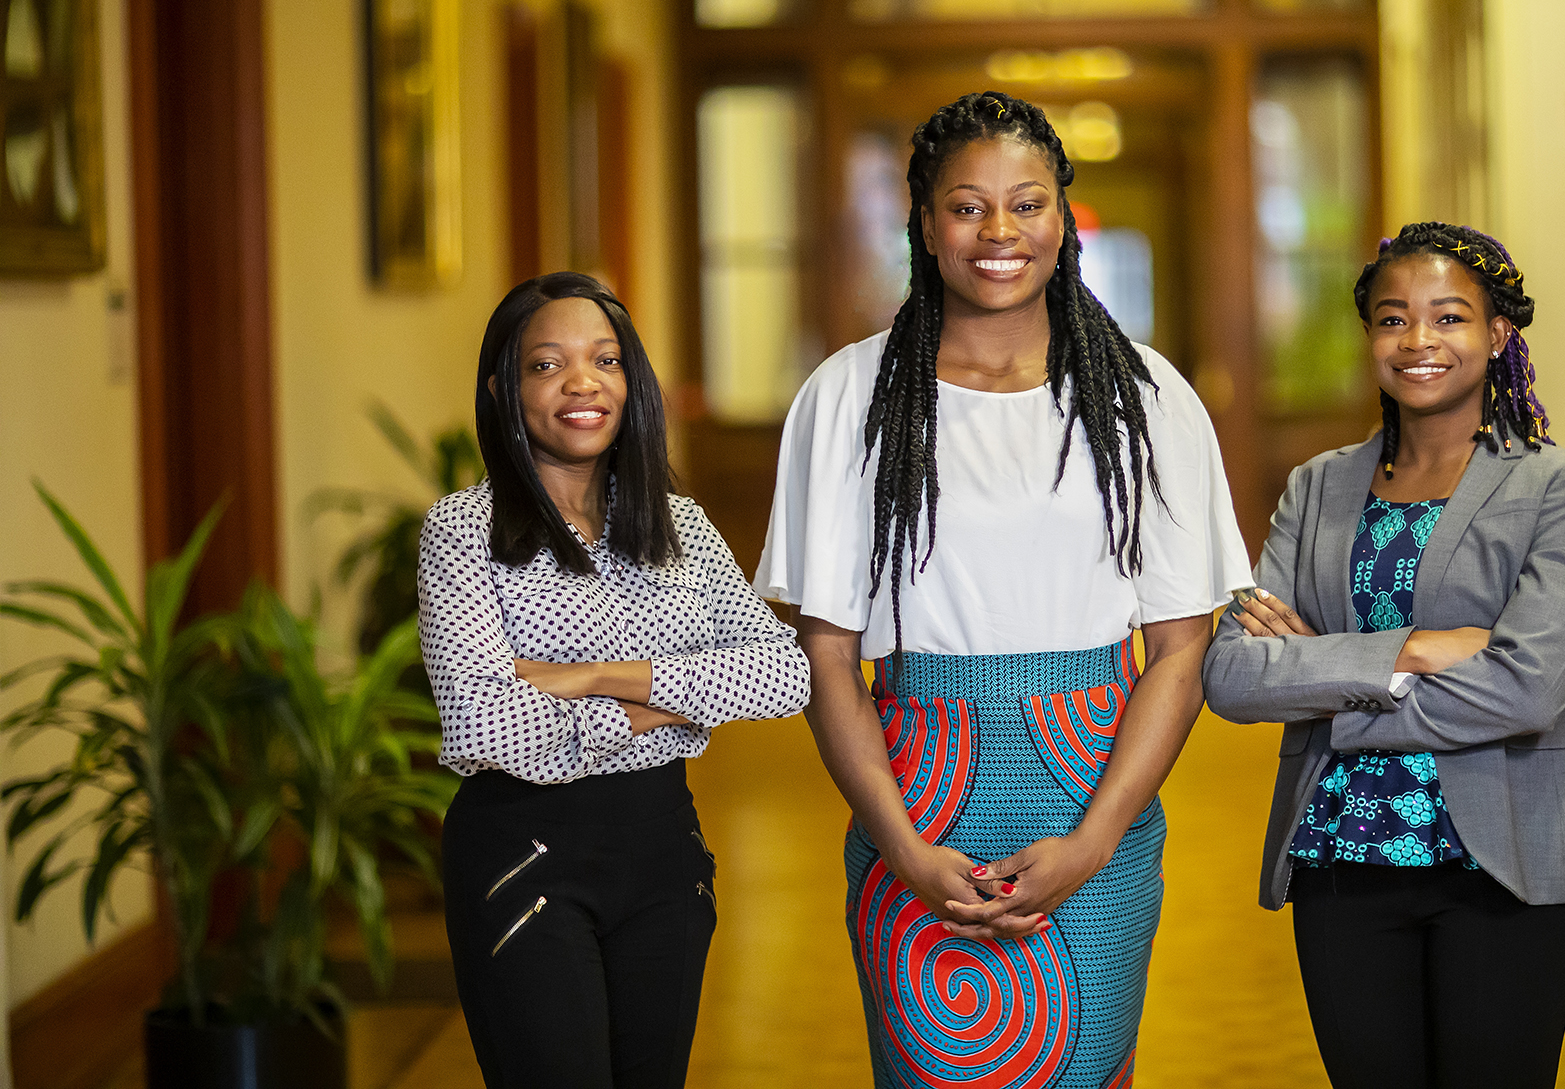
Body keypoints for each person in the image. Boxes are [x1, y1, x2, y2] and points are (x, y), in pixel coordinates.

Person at [755, 91, 1250, 1089]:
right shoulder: (846, 397)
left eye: (1025, 204)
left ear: (1061, 219)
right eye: (965, 205)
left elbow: (1182, 649)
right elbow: (828, 654)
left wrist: (1089, 842)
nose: (997, 232)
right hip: (914, 804)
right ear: (923, 224)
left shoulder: (1143, 398)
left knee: (1089, 1067)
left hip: (1091, 792)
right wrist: (901, 848)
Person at [1202, 223, 1565, 1089]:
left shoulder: (1558, 485)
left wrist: (1331, 683)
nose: (1419, 341)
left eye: (1449, 317)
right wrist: (1417, 650)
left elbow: (1528, 687)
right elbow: (1235, 673)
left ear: (1498, 334)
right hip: (1341, 859)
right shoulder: (1317, 485)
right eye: (1394, 319)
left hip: (1505, 863)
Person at [418, 271, 811, 1089]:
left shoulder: (680, 525)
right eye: (546, 364)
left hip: (663, 851)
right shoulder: (462, 530)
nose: (580, 382)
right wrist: (670, 708)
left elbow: (782, 671)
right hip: (522, 851)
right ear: (503, 389)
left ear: (631, 383)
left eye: (604, 359)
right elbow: (480, 724)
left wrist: (594, 676)